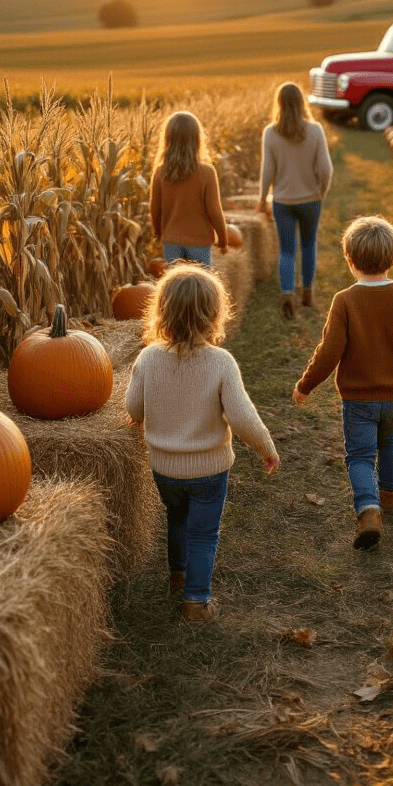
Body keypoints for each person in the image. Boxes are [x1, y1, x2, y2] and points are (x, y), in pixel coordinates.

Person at [126, 264, 279, 623]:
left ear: (161, 312)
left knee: (176, 518)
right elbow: (241, 416)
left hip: (163, 467)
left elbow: (133, 406)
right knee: (204, 534)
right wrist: (265, 447)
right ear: (215, 315)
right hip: (209, 469)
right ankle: (196, 602)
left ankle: (178, 577)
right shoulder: (220, 362)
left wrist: (141, 418)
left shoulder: (148, 358)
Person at [292, 215, 393, 550]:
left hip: (358, 399)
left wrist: (306, 385)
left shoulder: (345, 300)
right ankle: (388, 495)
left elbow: (329, 352)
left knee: (359, 456)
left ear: (350, 260)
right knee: (388, 442)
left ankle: (369, 510)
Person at [257, 82, 333, 318]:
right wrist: (321, 191)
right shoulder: (315, 130)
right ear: (302, 102)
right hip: (311, 199)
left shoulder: (270, 132)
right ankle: (308, 292)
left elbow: (267, 171)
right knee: (309, 245)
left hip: (283, 202)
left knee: (287, 250)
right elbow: (326, 169)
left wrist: (262, 199)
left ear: (278, 103)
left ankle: (287, 294)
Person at [150, 111, 228, 268]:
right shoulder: (207, 172)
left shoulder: (160, 172)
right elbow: (214, 210)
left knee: (176, 288)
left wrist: (159, 233)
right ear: (197, 140)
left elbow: (155, 208)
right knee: (200, 287)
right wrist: (223, 239)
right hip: (200, 242)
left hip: (171, 242)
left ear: (167, 139)